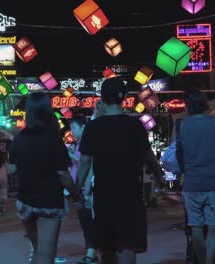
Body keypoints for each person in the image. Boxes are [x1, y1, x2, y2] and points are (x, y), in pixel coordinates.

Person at [75, 78, 162, 264]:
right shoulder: (135, 125)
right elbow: (149, 157)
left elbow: (83, 163)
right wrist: (159, 177)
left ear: (102, 98)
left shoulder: (93, 127)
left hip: (104, 194)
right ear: (124, 98)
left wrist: (76, 191)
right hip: (131, 194)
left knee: (107, 247)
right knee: (128, 245)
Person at [9, 92, 82, 264]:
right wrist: (76, 195)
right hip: (48, 202)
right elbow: (63, 173)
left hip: (25, 200)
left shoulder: (19, 138)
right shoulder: (54, 138)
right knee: (46, 254)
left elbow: (12, 169)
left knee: (36, 251)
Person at [178, 88, 215, 264]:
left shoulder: (183, 125)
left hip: (192, 183)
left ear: (188, 105)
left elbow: (176, 154)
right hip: (213, 182)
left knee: (195, 225)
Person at [69, 113, 98, 264]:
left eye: (74, 127)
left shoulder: (87, 145)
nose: (72, 131)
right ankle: (92, 252)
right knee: (85, 221)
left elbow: (86, 164)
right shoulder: (79, 144)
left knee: (88, 222)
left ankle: (91, 253)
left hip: (85, 189)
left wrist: (86, 190)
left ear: (83, 127)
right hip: (80, 189)